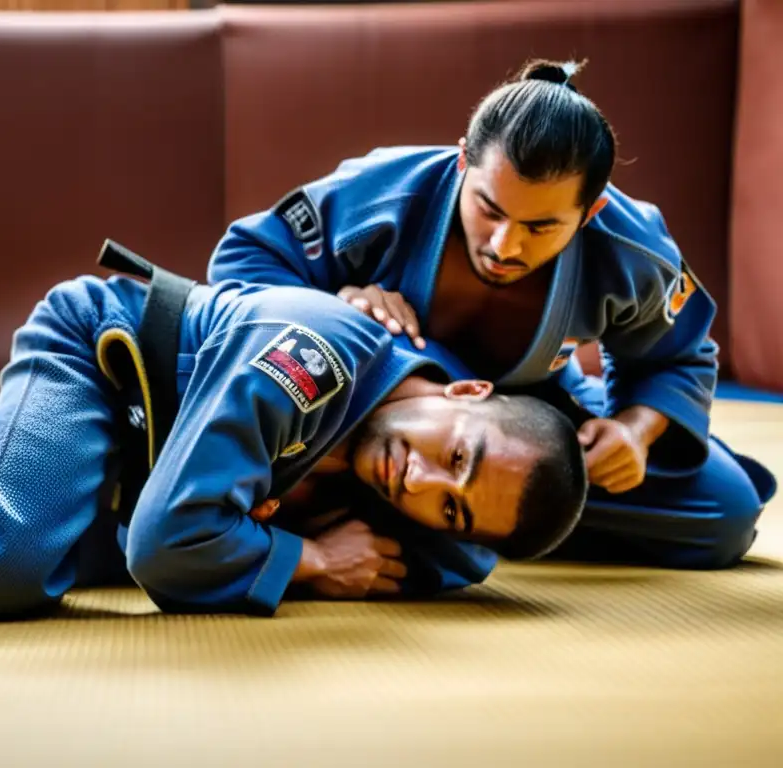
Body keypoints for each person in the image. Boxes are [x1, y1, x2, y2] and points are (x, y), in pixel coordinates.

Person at [0, 245, 588, 621]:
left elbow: (476, 549)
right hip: (103, 361)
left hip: (149, 476)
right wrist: (307, 560)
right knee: (5, 558)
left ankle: (1, 493)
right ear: (468, 389)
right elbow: (165, 547)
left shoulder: (458, 527)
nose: (424, 485)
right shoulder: (316, 355)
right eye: (457, 455)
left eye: (452, 508)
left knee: (61, 569)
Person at [207, 58, 777, 570]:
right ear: (462, 162)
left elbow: (679, 356)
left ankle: (470, 527)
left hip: (530, 426)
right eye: (488, 208)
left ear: (591, 210)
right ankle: (445, 524)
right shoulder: (384, 192)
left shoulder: (632, 251)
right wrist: (334, 310)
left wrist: (635, 429)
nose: (505, 245)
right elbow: (243, 260)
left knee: (725, 515)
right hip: (393, 426)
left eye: (541, 227)